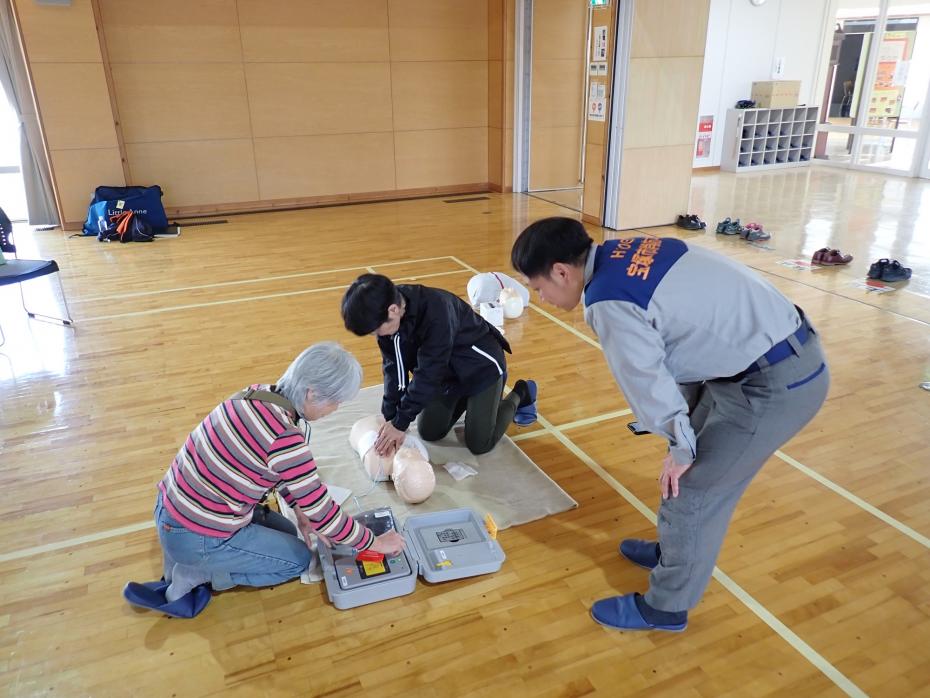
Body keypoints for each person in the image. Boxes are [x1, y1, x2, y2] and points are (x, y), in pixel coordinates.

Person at [510, 217, 829, 632]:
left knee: (691, 488)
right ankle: (676, 551)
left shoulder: (607, 300)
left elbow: (645, 380)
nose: (541, 299)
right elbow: (679, 343)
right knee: (683, 469)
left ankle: (666, 608)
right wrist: (683, 432)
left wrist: (680, 446)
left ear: (561, 272)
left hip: (775, 384)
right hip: (764, 359)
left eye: (538, 288)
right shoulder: (626, 251)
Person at [123, 342, 405, 618]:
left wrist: (299, 509)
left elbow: (273, 469)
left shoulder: (255, 394)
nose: (335, 409)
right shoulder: (286, 437)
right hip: (195, 535)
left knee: (288, 530)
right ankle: (199, 572)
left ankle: (191, 558)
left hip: (171, 510)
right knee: (297, 560)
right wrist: (375, 543)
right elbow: (324, 515)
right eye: (335, 402)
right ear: (312, 393)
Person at [341, 274, 536, 457]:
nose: (377, 336)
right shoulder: (385, 315)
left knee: (479, 444)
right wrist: (391, 417)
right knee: (429, 432)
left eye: (376, 331)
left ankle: (522, 392)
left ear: (393, 310)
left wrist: (400, 423)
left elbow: (428, 374)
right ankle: (469, 401)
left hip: (482, 369)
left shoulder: (436, 311)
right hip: (448, 375)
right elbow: (394, 368)